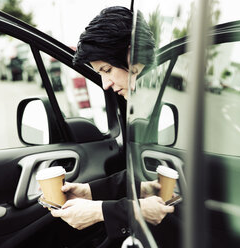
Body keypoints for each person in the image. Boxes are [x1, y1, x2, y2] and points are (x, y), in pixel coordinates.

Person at [50, 6, 176, 246]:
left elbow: (183, 191)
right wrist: (90, 191)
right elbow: (145, 177)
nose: (105, 84)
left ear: (132, 55)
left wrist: (100, 211)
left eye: (107, 70)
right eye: (99, 73)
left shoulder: (167, 104)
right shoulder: (138, 102)